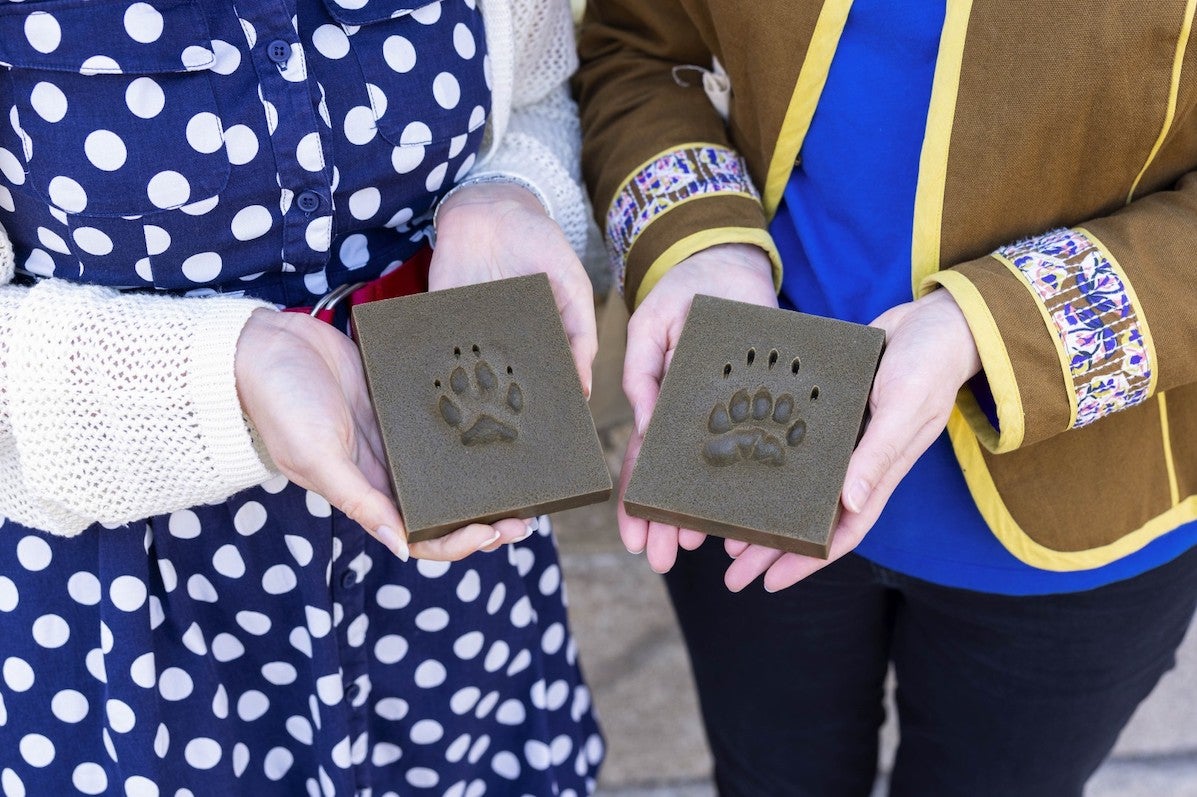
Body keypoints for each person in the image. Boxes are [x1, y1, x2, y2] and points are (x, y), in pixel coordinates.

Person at [575, 2, 1197, 795]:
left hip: (1090, 503)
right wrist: (698, 242)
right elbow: (637, 44)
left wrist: (991, 324)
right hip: (740, 435)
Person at [0, 0, 604, 793]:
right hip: (122, 610)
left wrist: (510, 193)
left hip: (455, 550)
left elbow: (534, 100)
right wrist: (224, 376)